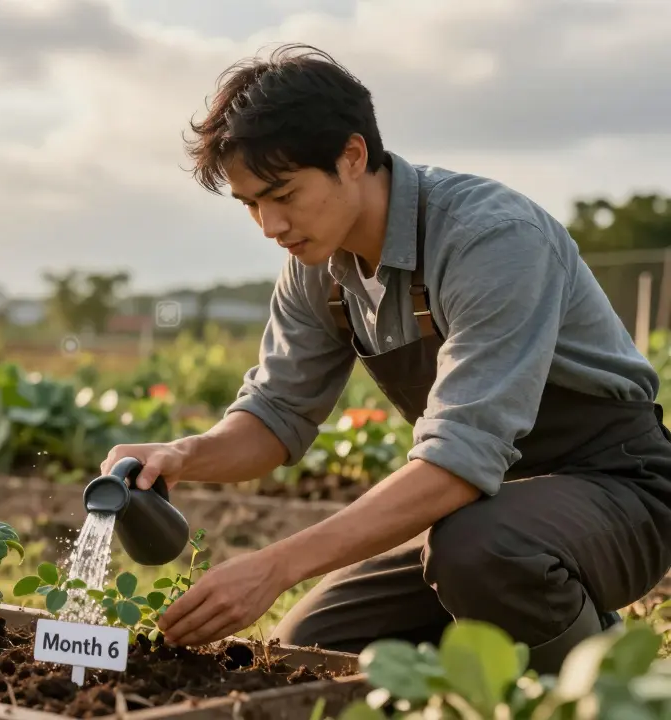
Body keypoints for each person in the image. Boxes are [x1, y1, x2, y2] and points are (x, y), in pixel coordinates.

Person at [100, 43, 671, 673]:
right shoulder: (319, 269)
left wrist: (274, 567)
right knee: (311, 646)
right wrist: (185, 454)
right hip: (486, 508)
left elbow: (458, 459)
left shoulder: (491, 239)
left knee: (481, 553)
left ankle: (610, 687)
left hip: (620, 488)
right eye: (250, 204)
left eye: (283, 194)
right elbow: (275, 415)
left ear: (352, 156)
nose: (269, 224)